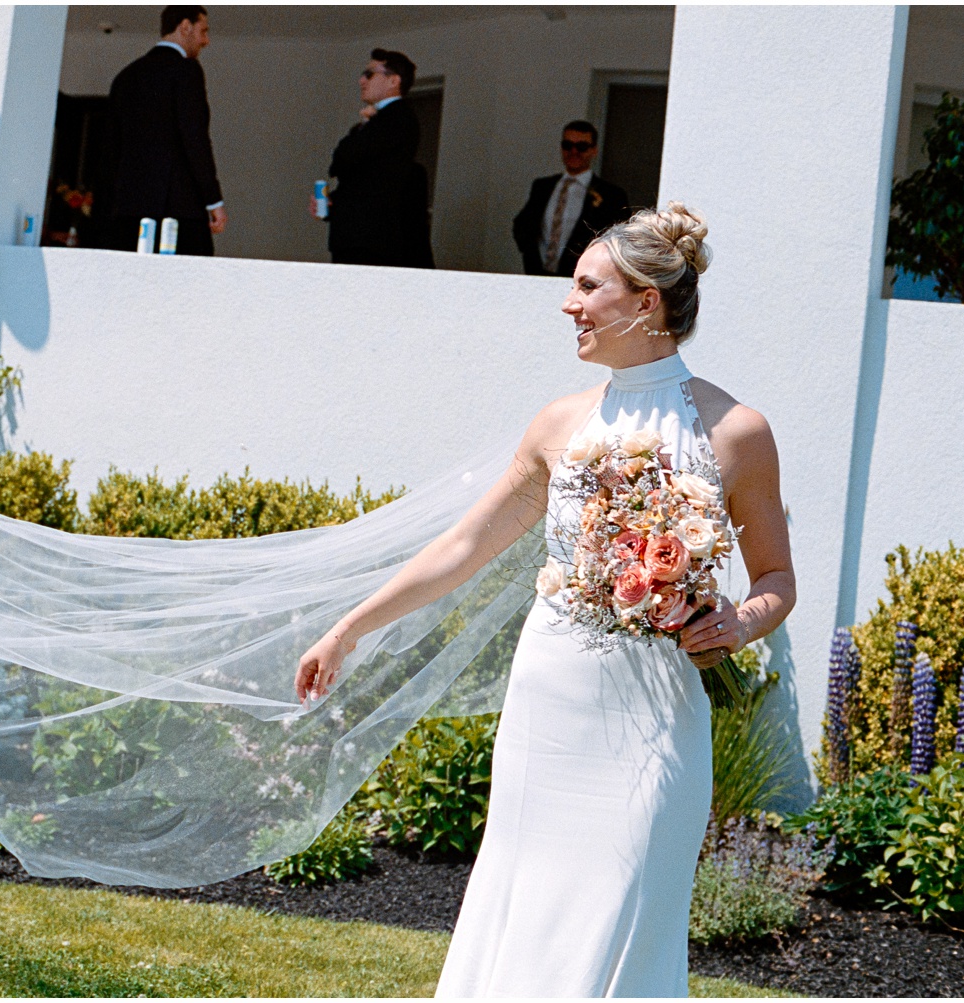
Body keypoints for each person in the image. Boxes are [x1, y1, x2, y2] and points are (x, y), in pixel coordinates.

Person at [295, 204, 796, 995]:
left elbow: (777, 581)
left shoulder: (736, 431)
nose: (569, 304)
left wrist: (737, 623)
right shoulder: (560, 424)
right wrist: (351, 628)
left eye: (588, 287)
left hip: (657, 715)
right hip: (552, 705)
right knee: (526, 912)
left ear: (645, 302)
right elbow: (463, 547)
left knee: (625, 912)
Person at [105, 6, 227, 256]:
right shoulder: (186, 70)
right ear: (185, 26)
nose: (206, 41)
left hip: (128, 213)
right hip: (178, 211)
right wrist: (213, 201)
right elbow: (195, 139)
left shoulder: (125, 77)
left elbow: (110, 149)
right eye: (203, 31)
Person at [314, 49, 434, 268]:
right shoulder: (385, 120)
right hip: (361, 239)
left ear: (393, 81)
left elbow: (345, 158)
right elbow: (362, 175)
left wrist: (364, 126)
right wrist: (334, 205)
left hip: (371, 242)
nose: (361, 80)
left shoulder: (397, 117)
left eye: (369, 74)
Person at [512, 120, 630, 276]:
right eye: (567, 145)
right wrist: (529, 253)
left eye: (581, 147)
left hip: (583, 278)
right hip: (537, 273)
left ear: (594, 150)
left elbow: (620, 238)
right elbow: (522, 224)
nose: (574, 152)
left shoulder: (611, 194)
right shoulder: (543, 186)